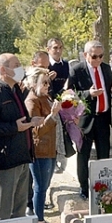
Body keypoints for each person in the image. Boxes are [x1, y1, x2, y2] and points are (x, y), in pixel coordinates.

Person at [0, 53, 43, 221]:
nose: (20, 68)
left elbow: (19, 118)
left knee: (19, 211)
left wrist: (29, 123)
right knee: (4, 212)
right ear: (3, 70)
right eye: (16, 65)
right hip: (6, 160)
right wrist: (15, 127)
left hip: (21, 157)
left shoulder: (15, 91)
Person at [67, 40, 112, 199]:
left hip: (103, 118)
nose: (98, 60)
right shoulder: (77, 70)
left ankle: (103, 185)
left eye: (101, 56)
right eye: (94, 56)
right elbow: (70, 95)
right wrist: (88, 93)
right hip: (85, 120)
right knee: (84, 156)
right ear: (85, 55)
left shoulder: (106, 68)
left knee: (104, 154)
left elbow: (110, 91)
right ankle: (83, 187)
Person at [24, 68, 62, 223]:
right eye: (44, 82)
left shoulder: (45, 97)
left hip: (50, 149)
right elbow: (36, 130)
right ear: (34, 83)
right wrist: (52, 115)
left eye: (48, 82)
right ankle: (38, 222)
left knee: (44, 186)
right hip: (39, 150)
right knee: (39, 187)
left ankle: (39, 219)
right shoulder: (32, 101)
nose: (48, 86)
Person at [47, 38, 72, 174]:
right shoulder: (45, 65)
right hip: (48, 105)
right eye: (55, 48)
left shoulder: (66, 65)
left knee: (63, 134)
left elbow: (68, 84)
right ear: (48, 49)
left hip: (63, 102)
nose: (58, 50)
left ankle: (61, 159)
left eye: (60, 47)